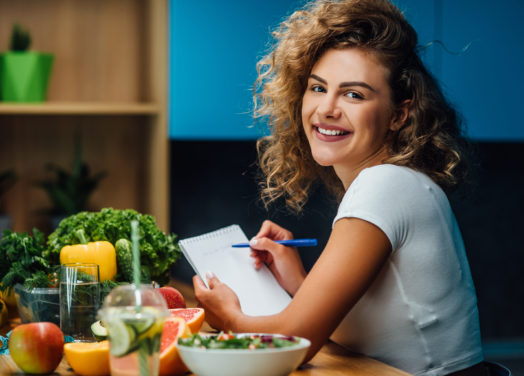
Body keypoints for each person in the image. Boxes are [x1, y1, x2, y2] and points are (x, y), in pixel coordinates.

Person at [192, 1, 487, 375]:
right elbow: (369, 329)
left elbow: (290, 344)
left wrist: (228, 317)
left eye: (354, 94)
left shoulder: (384, 185)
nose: (326, 108)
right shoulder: (398, 180)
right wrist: (300, 283)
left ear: (400, 114)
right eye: (318, 87)